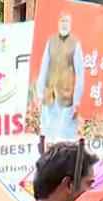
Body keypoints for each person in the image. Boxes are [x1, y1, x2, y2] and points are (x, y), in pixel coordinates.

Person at [34, 12, 84, 141]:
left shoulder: (75, 44)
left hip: (67, 95)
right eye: (62, 21)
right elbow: (44, 66)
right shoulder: (51, 42)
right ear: (58, 23)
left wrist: (77, 99)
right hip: (49, 92)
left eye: (67, 22)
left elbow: (80, 73)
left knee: (64, 134)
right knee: (47, 130)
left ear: (70, 24)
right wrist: (39, 93)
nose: (64, 24)